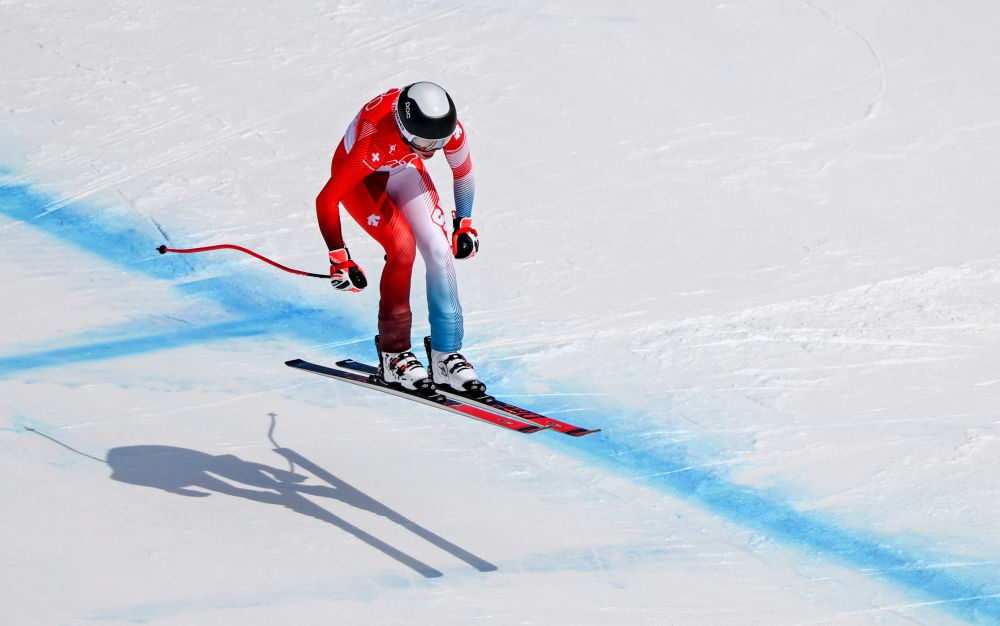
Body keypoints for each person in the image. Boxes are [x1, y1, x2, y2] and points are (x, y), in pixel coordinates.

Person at [315, 82, 483, 394]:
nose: (432, 150)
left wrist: (464, 223)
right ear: (405, 130)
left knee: (439, 249)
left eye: (440, 142)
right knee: (401, 249)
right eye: (424, 141)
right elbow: (326, 199)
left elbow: (463, 173)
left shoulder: (446, 131)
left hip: (403, 166)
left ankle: (446, 354)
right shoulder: (373, 137)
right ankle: (394, 355)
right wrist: (339, 258)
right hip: (361, 177)